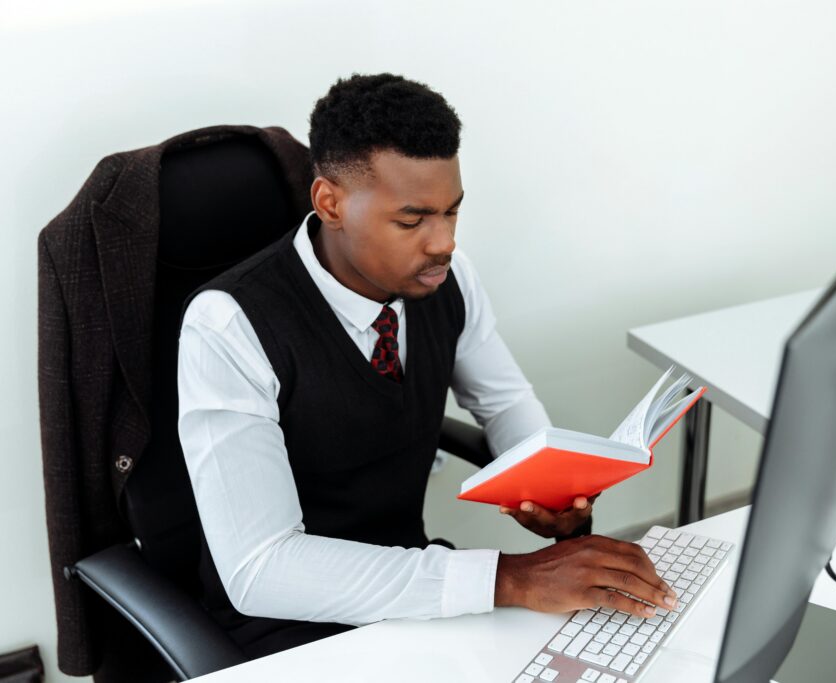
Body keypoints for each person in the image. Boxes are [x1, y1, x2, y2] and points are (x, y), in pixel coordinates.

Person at [177, 73, 677, 657]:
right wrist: (510, 578)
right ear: (330, 203)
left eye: (452, 213)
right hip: (285, 629)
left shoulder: (447, 279)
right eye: (412, 221)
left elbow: (505, 403)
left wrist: (556, 493)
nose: (442, 242)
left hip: (414, 594)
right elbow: (262, 569)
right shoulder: (228, 325)